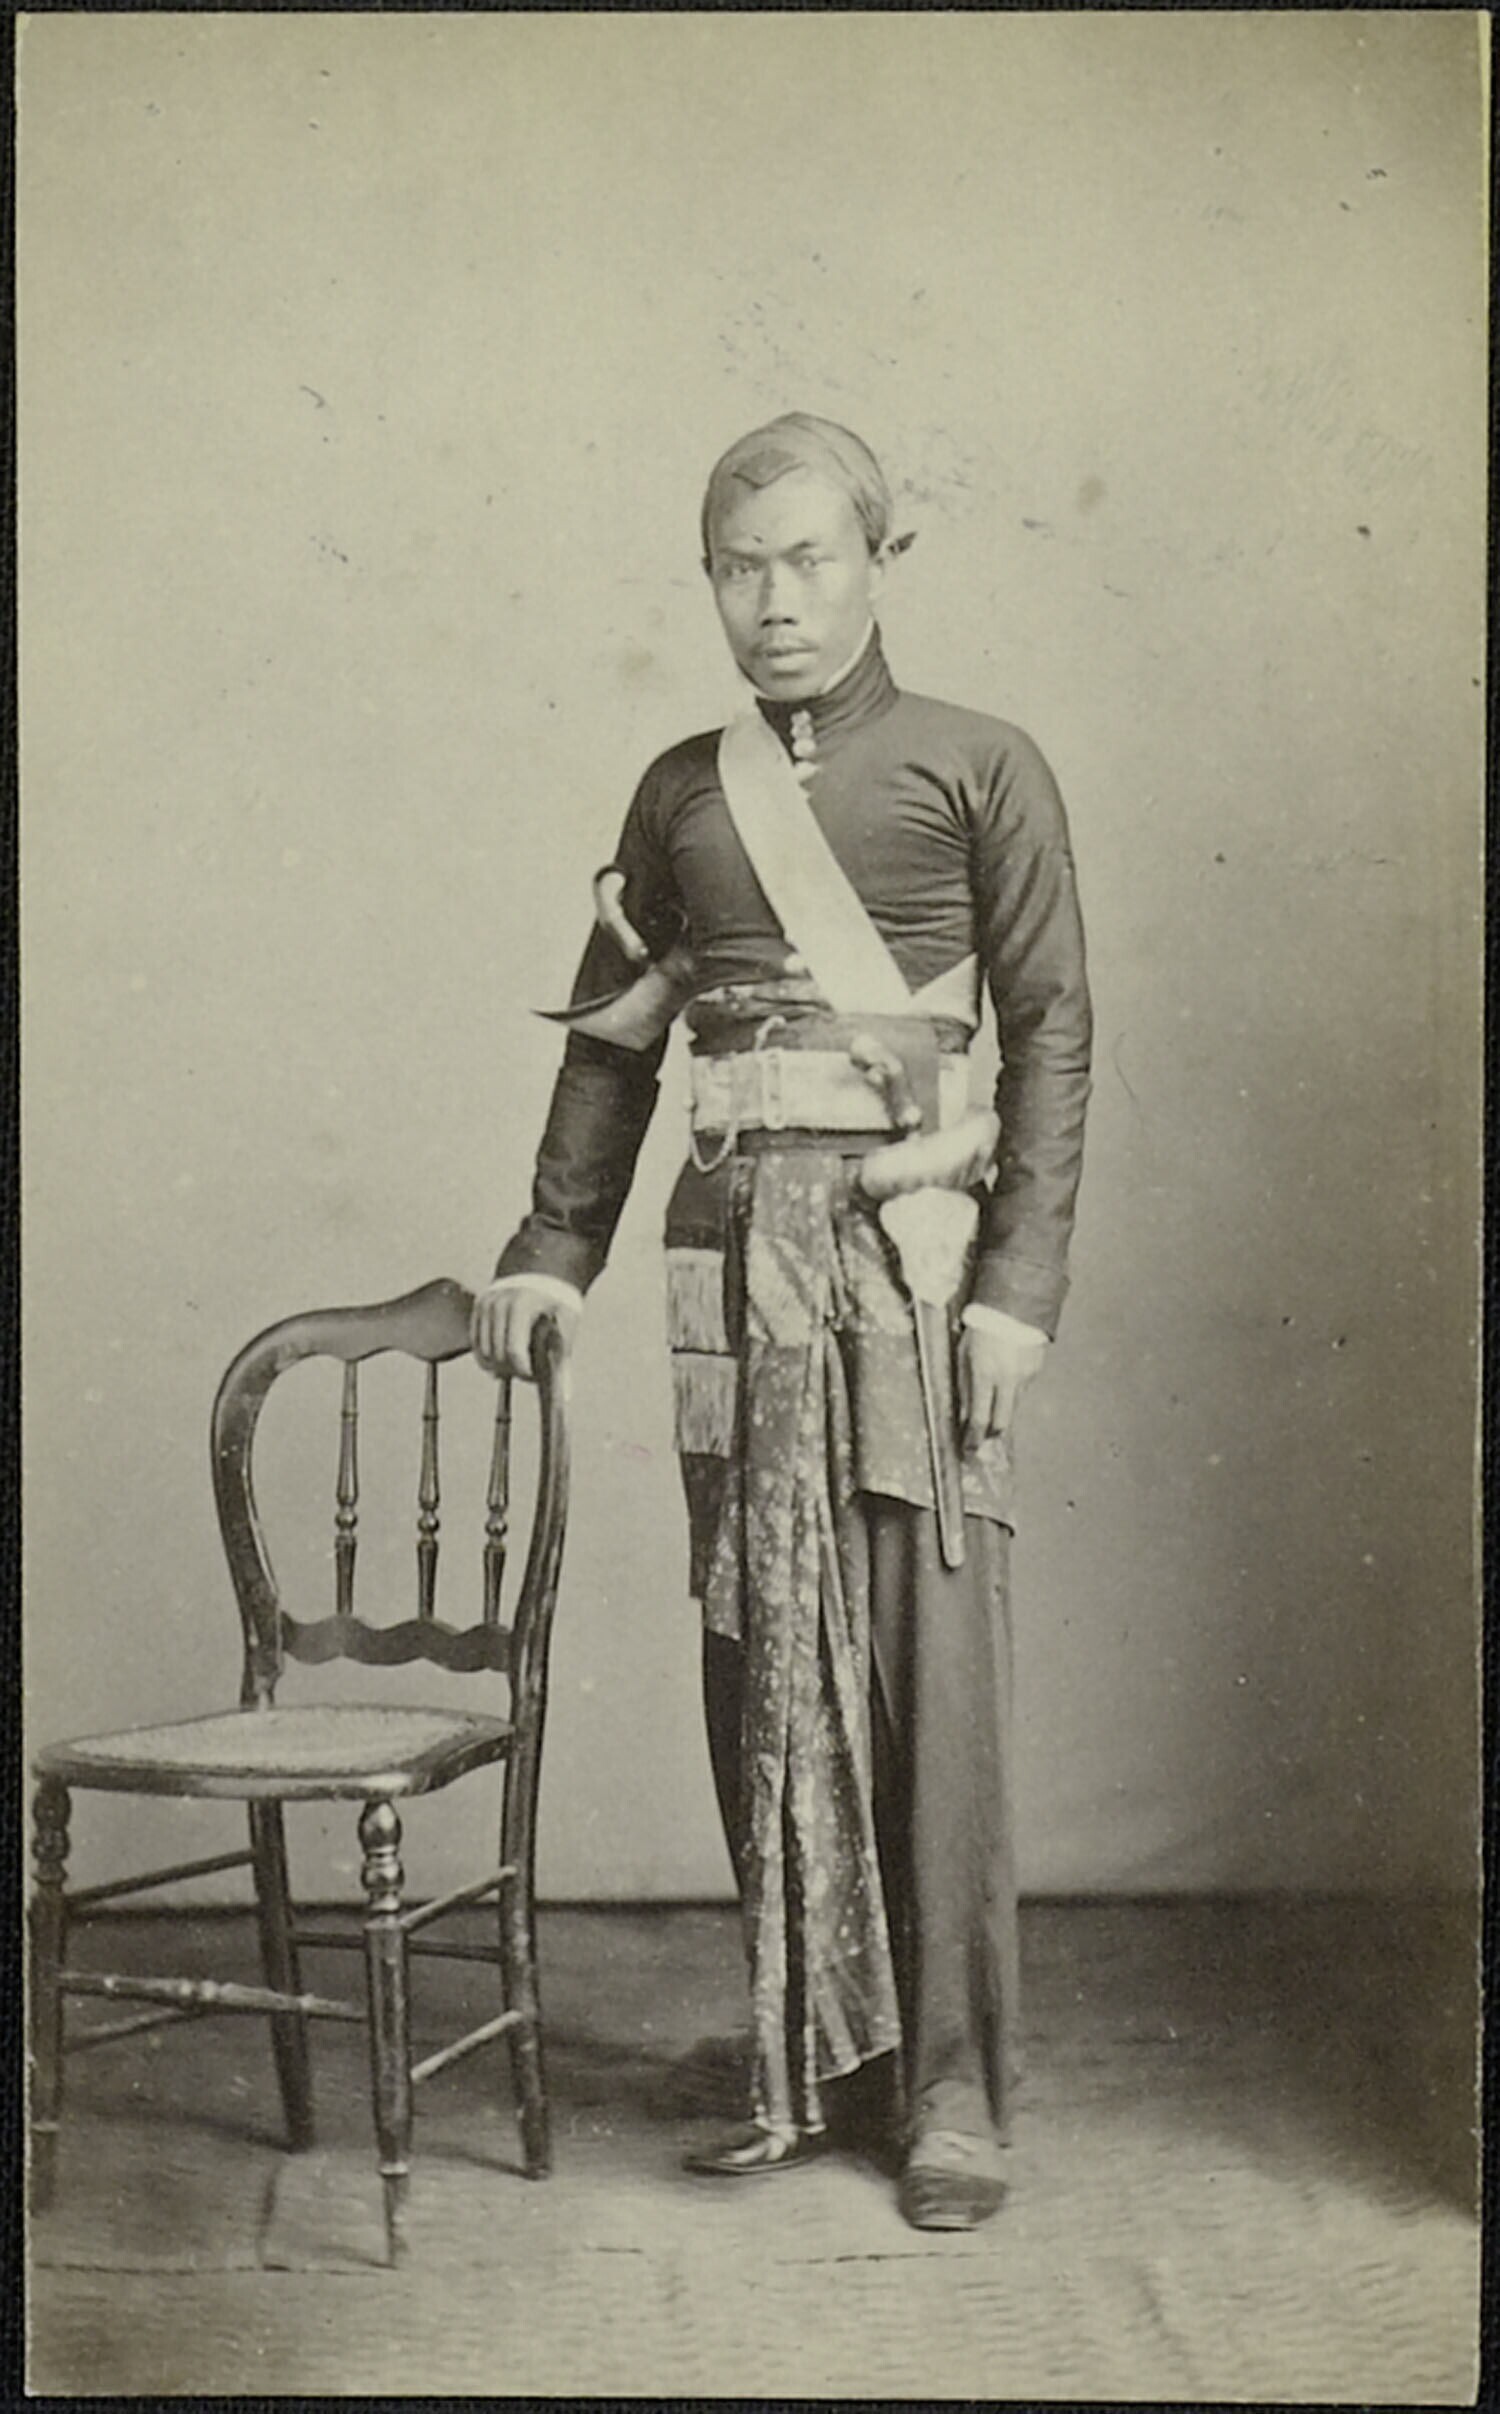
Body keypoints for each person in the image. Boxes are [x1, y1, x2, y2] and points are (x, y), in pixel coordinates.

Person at [471, 413, 1091, 2231]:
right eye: (740, 568)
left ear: (879, 560)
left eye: (810, 559)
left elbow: (1052, 1033)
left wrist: (1020, 1291)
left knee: (929, 1664)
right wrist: (548, 1249)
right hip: (728, 1267)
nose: (776, 601)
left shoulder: (982, 765)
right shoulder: (679, 791)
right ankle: (810, 2051)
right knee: (759, 1652)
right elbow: (615, 1048)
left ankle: (951, 2090)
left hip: (907, 1263)